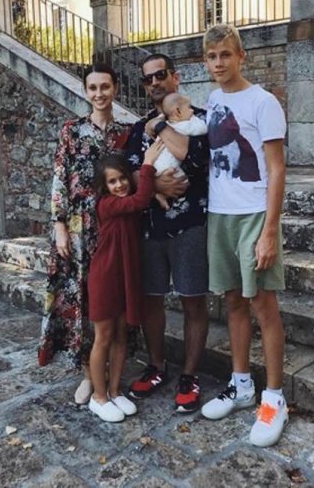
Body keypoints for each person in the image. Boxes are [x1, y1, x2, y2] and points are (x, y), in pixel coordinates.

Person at [199, 24, 288, 448]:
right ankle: (241, 385)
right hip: (220, 215)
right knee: (232, 301)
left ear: (241, 56)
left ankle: (274, 398)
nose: (219, 63)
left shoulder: (263, 102)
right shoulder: (213, 99)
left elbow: (277, 169)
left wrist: (269, 230)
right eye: (212, 56)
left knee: (263, 305)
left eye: (225, 55)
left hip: (254, 215)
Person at [38, 63, 131, 407]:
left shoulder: (126, 133)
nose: (99, 93)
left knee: (110, 303)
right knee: (81, 300)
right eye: (93, 88)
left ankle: (112, 375)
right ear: (86, 91)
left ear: (115, 88)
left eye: (105, 86)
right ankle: (88, 375)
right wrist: (59, 225)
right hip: (79, 229)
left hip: (114, 228)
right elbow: (59, 176)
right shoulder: (72, 131)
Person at [126, 54, 209, 413]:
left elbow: (198, 161)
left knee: (193, 300)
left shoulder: (199, 118)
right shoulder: (138, 127)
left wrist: (161, 127)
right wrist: (154, 184)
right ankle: (156, 367)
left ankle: (189, 375)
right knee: (152, 299)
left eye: (160, 75)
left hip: (190, 224)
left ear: (175, 76)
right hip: (150, 227)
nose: (154, 83)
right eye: (147, 79)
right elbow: (128, 172)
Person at [88, 144, 163, 423]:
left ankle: (115, 391)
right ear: (104, 187)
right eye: (112, 181)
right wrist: (148, 163)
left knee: (121, 335)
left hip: (126, 276)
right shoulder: (107, 205)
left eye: (122, 178)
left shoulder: (127, 202)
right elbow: (140, 200)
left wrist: (156, 192)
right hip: (105, 277)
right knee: (104, 336)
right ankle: (99, 397)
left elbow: (143, 198)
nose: (119, 185)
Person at [152, 93, 208, 210]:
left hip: (155, 166)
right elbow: (202, 129)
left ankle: (159, 195)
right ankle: (174, 199)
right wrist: (195, 119)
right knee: (182, 182)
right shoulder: (184, 126)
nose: (192, 111)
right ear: (178, 112)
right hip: (168, 167)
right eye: (189, 108)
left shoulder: (167, 124)